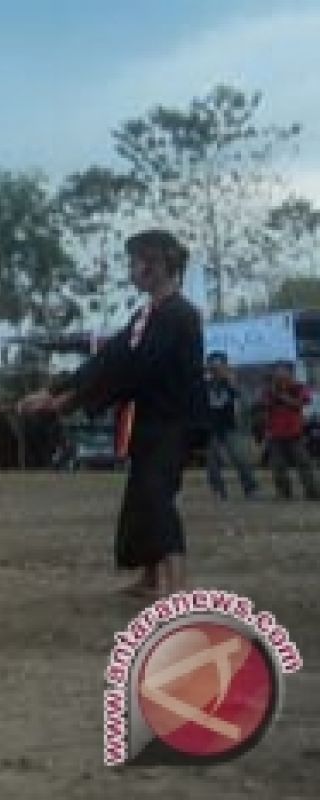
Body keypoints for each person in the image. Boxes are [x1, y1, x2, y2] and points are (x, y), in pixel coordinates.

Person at [20, 230, 204, 598]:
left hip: (172, 422)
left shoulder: (178, 315)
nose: (134, 270)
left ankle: (178, 586)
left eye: (140, 262)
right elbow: (109, 358)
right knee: (140, 496)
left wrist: (72, 401)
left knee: (156, 495)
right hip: (149, 420)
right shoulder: (146, 315)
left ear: (160, 267)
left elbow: (138, 369)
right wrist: (56, 390)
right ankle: (151, 578)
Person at [260, 360, 319, 500]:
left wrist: (282, 396)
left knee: (304, 464)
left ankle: (312, 492)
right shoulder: (268, 391)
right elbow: (265, 408)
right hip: (276, 434)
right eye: (277, 372)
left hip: (294, 433)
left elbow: (301, 402)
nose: (280, 374)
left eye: (283, 371)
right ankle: (284, 493)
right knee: (278, 466)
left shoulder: (298, 388)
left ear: (290, 373)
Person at [204, 351, 258, 500]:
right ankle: (218, 491)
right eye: (213, 366)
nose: (216, 370)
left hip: (230, 426)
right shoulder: (204, 385)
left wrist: (233, 384)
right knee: (212, 463)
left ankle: (250, 489)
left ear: (225, 366)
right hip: (210, 428)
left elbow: (249, 402)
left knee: (240, 459)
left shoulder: (232, 384)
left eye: (219, 365)